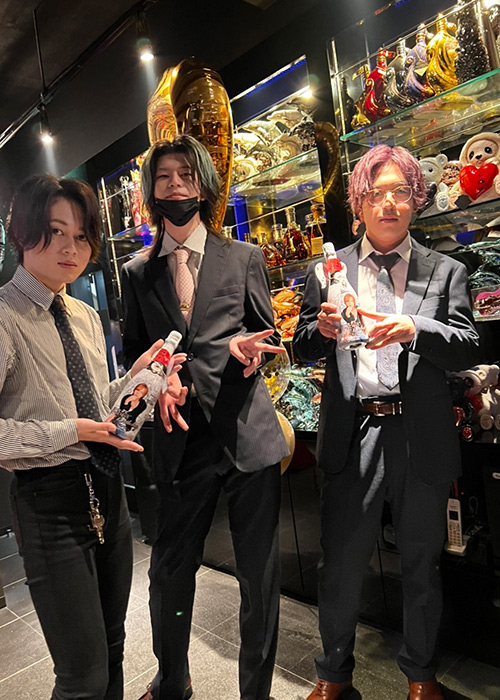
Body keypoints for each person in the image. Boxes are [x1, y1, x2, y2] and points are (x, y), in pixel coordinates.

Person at [293, 145, 480, 700]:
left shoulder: (446, 270)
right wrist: (321, 331)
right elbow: (300, 344)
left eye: (401, 191)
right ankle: (332, 675)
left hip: (420, 432)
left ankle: (421, 675)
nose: (389, 203)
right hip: (354, 432)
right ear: (360, 203)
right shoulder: (328, 271)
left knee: (422, 561)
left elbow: (469, 343)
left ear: (417, 199)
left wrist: (414, 328)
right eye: (377, 193)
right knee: (340, 562)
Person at [0, 174, 185, 700]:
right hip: (49, 502)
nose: (70, 248)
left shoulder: (82, 313)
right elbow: (68, 422)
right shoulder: (5, 316)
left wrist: (136, 379)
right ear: (22, 232)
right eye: (56, 231)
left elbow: (94, 402)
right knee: (81, 676)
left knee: (114, 646)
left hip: (105, 490)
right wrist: (70, 432)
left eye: (81, 236)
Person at [120, 134, 289, 700]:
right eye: (164, 177)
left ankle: (255, 693)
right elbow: (136, 352)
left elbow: (268, 337)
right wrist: (158, 379)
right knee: (169, 571)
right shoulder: (137, 273)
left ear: (205, 186)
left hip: (246, 435)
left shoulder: (244, 257)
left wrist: (248, 347)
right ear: (151, 191)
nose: (176, 186)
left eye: (186, 175)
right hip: (179, 440)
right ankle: (173, 680)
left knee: (258, 577)